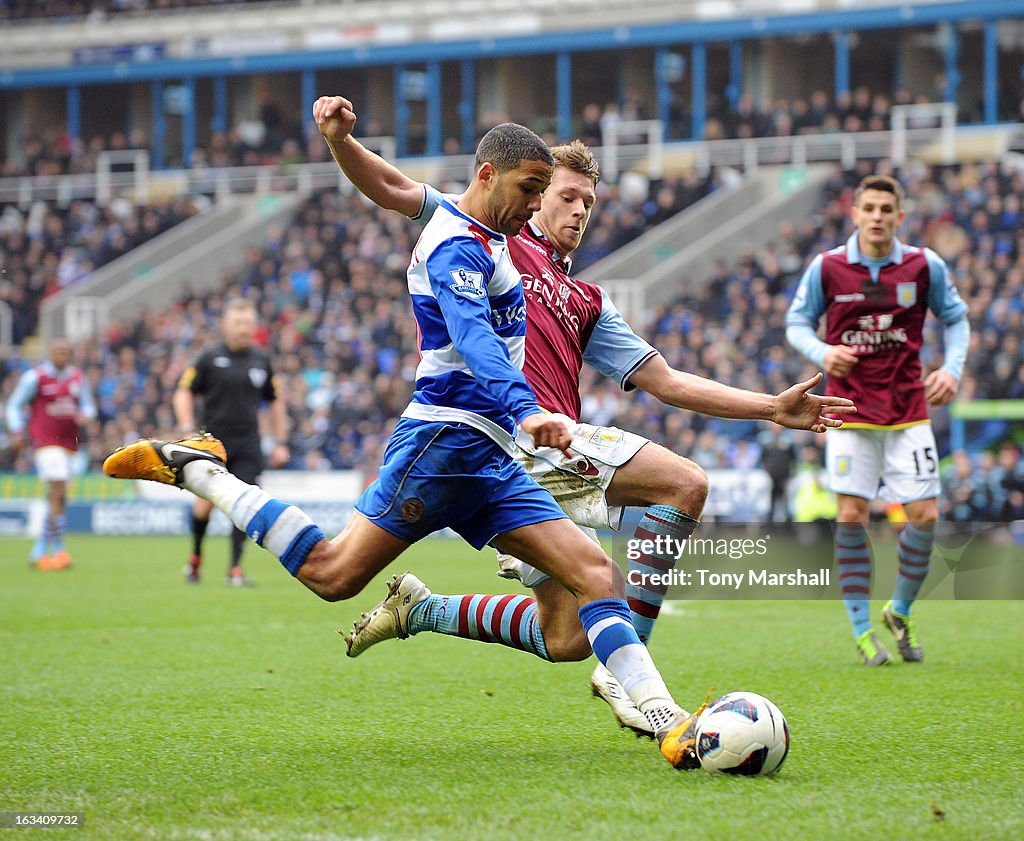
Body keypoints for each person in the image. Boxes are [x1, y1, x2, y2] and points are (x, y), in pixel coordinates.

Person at [105, 122, 707, 771]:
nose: (537, 205)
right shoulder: (455, 247)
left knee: (594, 578)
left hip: (493, 457)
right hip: (442, 443)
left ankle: (669, 722)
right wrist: (528, 408)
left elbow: (390, 183)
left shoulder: (490, 236)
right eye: (531, 190)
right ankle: (202, 470)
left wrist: (340, 141)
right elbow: (474, 340)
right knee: (334, 574)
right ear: (486, 176)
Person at [311, 94, 856, 736]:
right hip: (515, 440)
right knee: (684, 483)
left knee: (566, 636)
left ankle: (425, 611)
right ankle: (633, 679)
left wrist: (770, 407)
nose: (577, 210)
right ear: (531, 193)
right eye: (563, 195)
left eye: (587, 202)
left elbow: (666, 380)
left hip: (542, 460)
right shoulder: (478, 235)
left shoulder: (584, 298)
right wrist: (341, 141)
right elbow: (392, 185)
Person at [786, 173, 970, 666]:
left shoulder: (922, 265)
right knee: (850, 517)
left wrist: (951, 369)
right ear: (855, 213)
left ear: (899, 216)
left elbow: (956, 318)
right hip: (848, 412)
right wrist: (823, 351)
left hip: (909, 409)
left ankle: (901, 608)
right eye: (869, 208)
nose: (877, 217)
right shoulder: (827, 268)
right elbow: (796, 323)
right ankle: (864, 632)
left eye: (886, 209)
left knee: (925, 517)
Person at [173, 297, 290, 586]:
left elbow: (275, 401)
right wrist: (187, 427)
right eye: (238, 323)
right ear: (225, 325)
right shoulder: (209, 357)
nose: (244, 328)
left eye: (249, 323)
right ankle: (196, 558)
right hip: (212, 442)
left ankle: (235, 569)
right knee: (205, 505)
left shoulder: (261, 359)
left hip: (248, 442)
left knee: (246, 502)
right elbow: (183, 391)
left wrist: (280, 441)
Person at [5, 337, 96, 570]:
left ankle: (45, 550)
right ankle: (54, 551)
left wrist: (86, 415)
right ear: (50, 353)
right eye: (58, 351)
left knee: (59, 495)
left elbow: (88, 405)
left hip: (69, 445)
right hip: (45, 443)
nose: (62, 356)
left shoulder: (77, 377)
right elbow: (14, 405)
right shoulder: (35, 377)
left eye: (66, 352)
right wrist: (16, 431)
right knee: (58, 488)